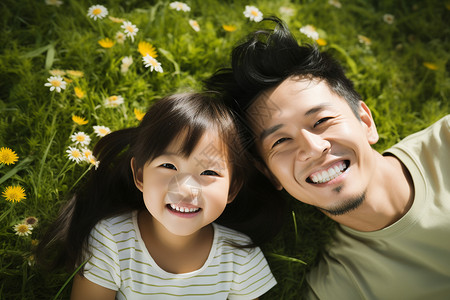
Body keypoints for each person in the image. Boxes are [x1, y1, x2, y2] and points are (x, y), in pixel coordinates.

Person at [205, 17, 450, 299]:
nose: (312, 147)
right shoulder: (340, 287)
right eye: (281, 141)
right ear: (271, 174)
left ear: (365, 121)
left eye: (321, 120)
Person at [36, 92, 279, 299]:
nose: (185, 189)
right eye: (169, 167)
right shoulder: (112, 240)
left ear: (232, 189)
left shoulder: (240, 257)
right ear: (139, 175)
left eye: (208, 172)